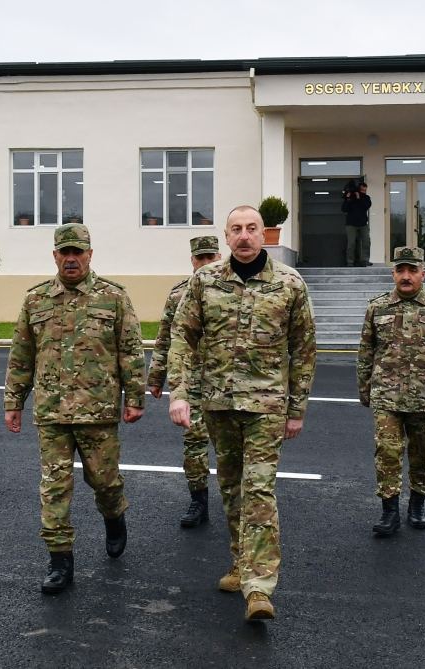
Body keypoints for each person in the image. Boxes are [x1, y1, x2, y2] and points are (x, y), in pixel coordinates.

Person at [167, 206, 316, 622]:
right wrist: (180, 393)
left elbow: (303, 349)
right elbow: (183, 337)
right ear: (227, 237)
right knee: (231, 487)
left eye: (252, 229)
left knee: (260, 488)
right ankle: (240, 562)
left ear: (263, 235)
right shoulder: (205, 281)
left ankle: (259, 586)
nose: (245, 236)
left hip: (267, 405)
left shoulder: (289, 283)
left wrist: (297, 408)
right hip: (218, 403)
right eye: (237, 230)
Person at [3, 223, 146, 594]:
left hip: (97, 411)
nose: (71, 259)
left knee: (104, 481)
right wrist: (13, 401)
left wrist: (135, 398)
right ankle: (59, 559)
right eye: (64, 253)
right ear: (54, 256)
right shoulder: (36, 300)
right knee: (54, 488)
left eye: (77, 252)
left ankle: (114, 516)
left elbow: (131, 350)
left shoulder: (113, 297)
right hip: (51, 413)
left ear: (89, 255)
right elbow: (21, 355)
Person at [356, 246, 425, 536]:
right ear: (393, 273)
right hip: (386, 396)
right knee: (387, 453)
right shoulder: (377, 308)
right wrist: (365, 388)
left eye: (412, 271)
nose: (406, 276)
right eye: (401, 270)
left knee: (421, 454)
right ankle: (389, 511)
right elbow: (366, 351)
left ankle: (417, 505)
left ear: (422, 273)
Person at [147, 235, 222, 528]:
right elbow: (165, 336)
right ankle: (198, 501)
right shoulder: (179, 295)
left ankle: (238, 502)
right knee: (194, 444)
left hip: (226, 382)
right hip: (190, 381)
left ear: (219, 257)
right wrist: (156, 376)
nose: (204, 264)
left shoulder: (235, 291)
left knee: (232, 446)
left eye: (210, 258)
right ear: (192, 261)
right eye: (199, 259)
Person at [342, 181, 372, 267]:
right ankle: (350, 262)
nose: (363, 192)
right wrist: (348, 199)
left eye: (365, 190)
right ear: (359, 189)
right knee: (351, 243)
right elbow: (344, 209)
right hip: (351, 224)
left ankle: (365, 260)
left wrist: (359, 198)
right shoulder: (350, 198)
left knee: (366, 241)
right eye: (362, 190)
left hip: (363, 224)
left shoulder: (366, 198)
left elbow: (366, 206)